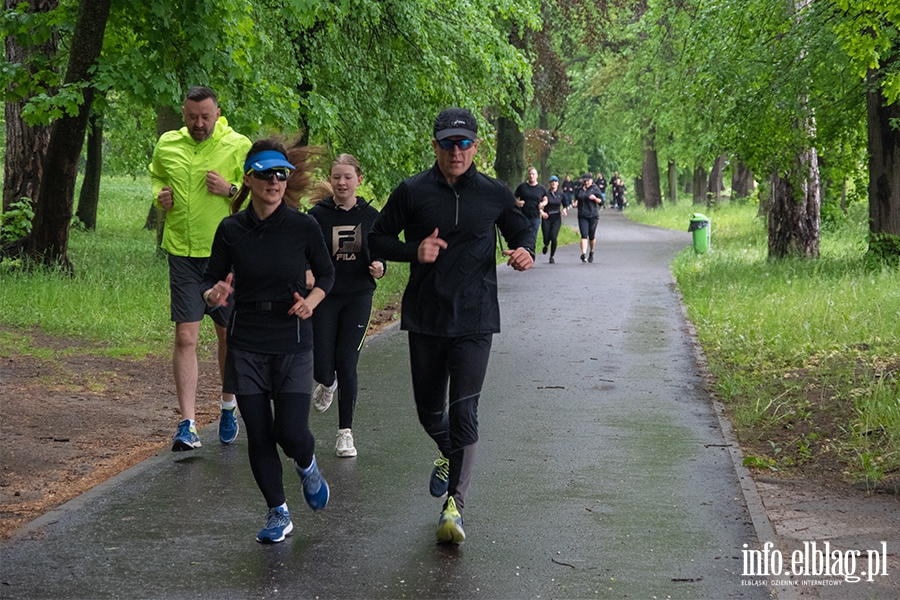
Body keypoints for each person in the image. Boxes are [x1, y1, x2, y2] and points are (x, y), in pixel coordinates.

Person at [368, 107, 534, 544]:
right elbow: (378, 237)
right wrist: (412, 250)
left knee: (465, 412)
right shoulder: (413, 191)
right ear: (435, 145)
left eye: (463, 143)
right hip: (426, 316)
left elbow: (521, 228)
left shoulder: (494, 193)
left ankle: (454, 508)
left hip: (476, 318)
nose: (456, 151)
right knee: (429, 413)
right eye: (447, 143)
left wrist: (524, 251)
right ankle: (448, 453)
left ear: (476, 146)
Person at [201, 139, 335, 544]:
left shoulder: (303, 226)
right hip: (247, 343)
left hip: (293, 338)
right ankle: (278, 511)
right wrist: (214, 296)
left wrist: (311, 303)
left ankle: (308, 466)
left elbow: (326, 276)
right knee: (259, 434)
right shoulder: (231, 229)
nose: (275, 182)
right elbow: (211, 282)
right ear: (249, 179)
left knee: (291, 433)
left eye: (281, 174)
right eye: (265, 174)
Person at [150, 86, 251, 451]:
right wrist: (158, 196)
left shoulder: (237, 145)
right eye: (192, 117)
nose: (199, 124)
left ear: (217, 113)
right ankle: (187, 423)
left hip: (223, 255)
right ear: (183, 113)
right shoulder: (168, 144)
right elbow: (156, 176)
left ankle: (228, 406)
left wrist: (231, 189)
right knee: (185, 337)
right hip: (181, 252)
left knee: (227, 336)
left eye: (206, 117)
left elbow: (261, 193)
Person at [307, 154, 386, 458]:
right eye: (337, 177)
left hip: (358, 296)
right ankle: (327, 383)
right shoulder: (317, 216)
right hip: (324, 296)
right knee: (322, 365)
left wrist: (380, 266)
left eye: (348, 177)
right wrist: (308, 272)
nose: (342, 182)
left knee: (347, 362)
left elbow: (381, 253)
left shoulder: (371, 216)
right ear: (331, 179)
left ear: (359, 180)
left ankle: (345, 434)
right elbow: (305, 252)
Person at [514, 167, 547, 249]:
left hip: (535, 217)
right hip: (523, 216)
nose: (531, 176)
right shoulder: (522, 187)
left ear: (537, 176)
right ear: (528, 176)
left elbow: (545, 199)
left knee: (532, 238)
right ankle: (524, 254)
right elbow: (514, 198)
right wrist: (518, 202)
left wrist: (542, 204)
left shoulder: (541, 188)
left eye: (533, 174)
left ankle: (531, 257)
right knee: (523, 237)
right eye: (530, 174)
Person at [574, 172, 603, 263]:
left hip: (592, 215)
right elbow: (576, 197)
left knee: (591, 236)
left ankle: (591, 251)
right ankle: (583, 254)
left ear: (591, 180)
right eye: (585, 181)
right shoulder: (579, 189)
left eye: (588, 181)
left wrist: (595, 198)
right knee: (584, 235)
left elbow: (601, 202)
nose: (586, 183)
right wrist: (575, 203)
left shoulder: (595, 189)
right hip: (582, 215)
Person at [539, 175, 567, 263]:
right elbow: (539, 205)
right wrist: (542, 212)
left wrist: (564, 210)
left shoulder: (561, 194)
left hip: (556, 218)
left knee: (554, 237)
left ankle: (551, 256)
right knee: (546, 237)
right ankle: (546, 244)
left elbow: (565, 205)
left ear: (558, 184)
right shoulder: (545, 194)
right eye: (552, 182)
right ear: (550, 184)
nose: (554, 183)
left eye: (555, 182)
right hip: (547, 217)